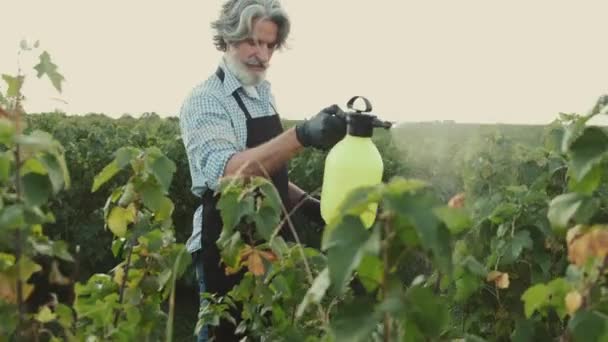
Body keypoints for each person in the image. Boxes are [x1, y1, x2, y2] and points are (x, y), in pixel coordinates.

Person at [178, 0, 347, 340]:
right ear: (228, 39)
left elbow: (270, 175)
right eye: (253, 42)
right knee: (223, 332)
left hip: (269, 246)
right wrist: (301, 134)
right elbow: (228, 173)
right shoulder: (206, 99)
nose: (263, 55)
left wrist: (315, 209)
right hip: (222, 248)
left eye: (270, 45)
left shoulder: (262, 94)